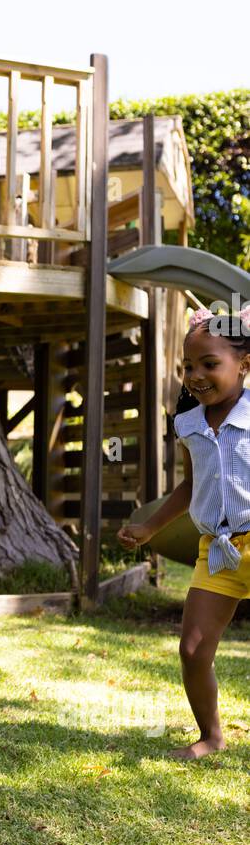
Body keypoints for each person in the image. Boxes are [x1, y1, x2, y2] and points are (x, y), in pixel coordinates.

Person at [117, 304, 250, 758]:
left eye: (210, 364)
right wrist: (150, 528)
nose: (196, 375)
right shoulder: (190, 423)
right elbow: (192, 484)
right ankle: (211, 737)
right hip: (218, 548)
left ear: (244, 364)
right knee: (193, 650)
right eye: (188, 366)